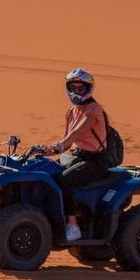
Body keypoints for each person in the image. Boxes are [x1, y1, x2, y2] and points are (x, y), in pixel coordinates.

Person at [36, 68, 110, 242]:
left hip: (96, 161)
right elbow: (68, 141)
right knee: (47, 170)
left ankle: (72, 225)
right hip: (76, 156)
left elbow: (77, 132)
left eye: (81, 88)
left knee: (65, 180)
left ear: (88, 89)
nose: (76, 92)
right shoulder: (71, 111)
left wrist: (60, 145)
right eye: (73, 88)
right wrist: (50, 149)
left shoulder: (94, 110)